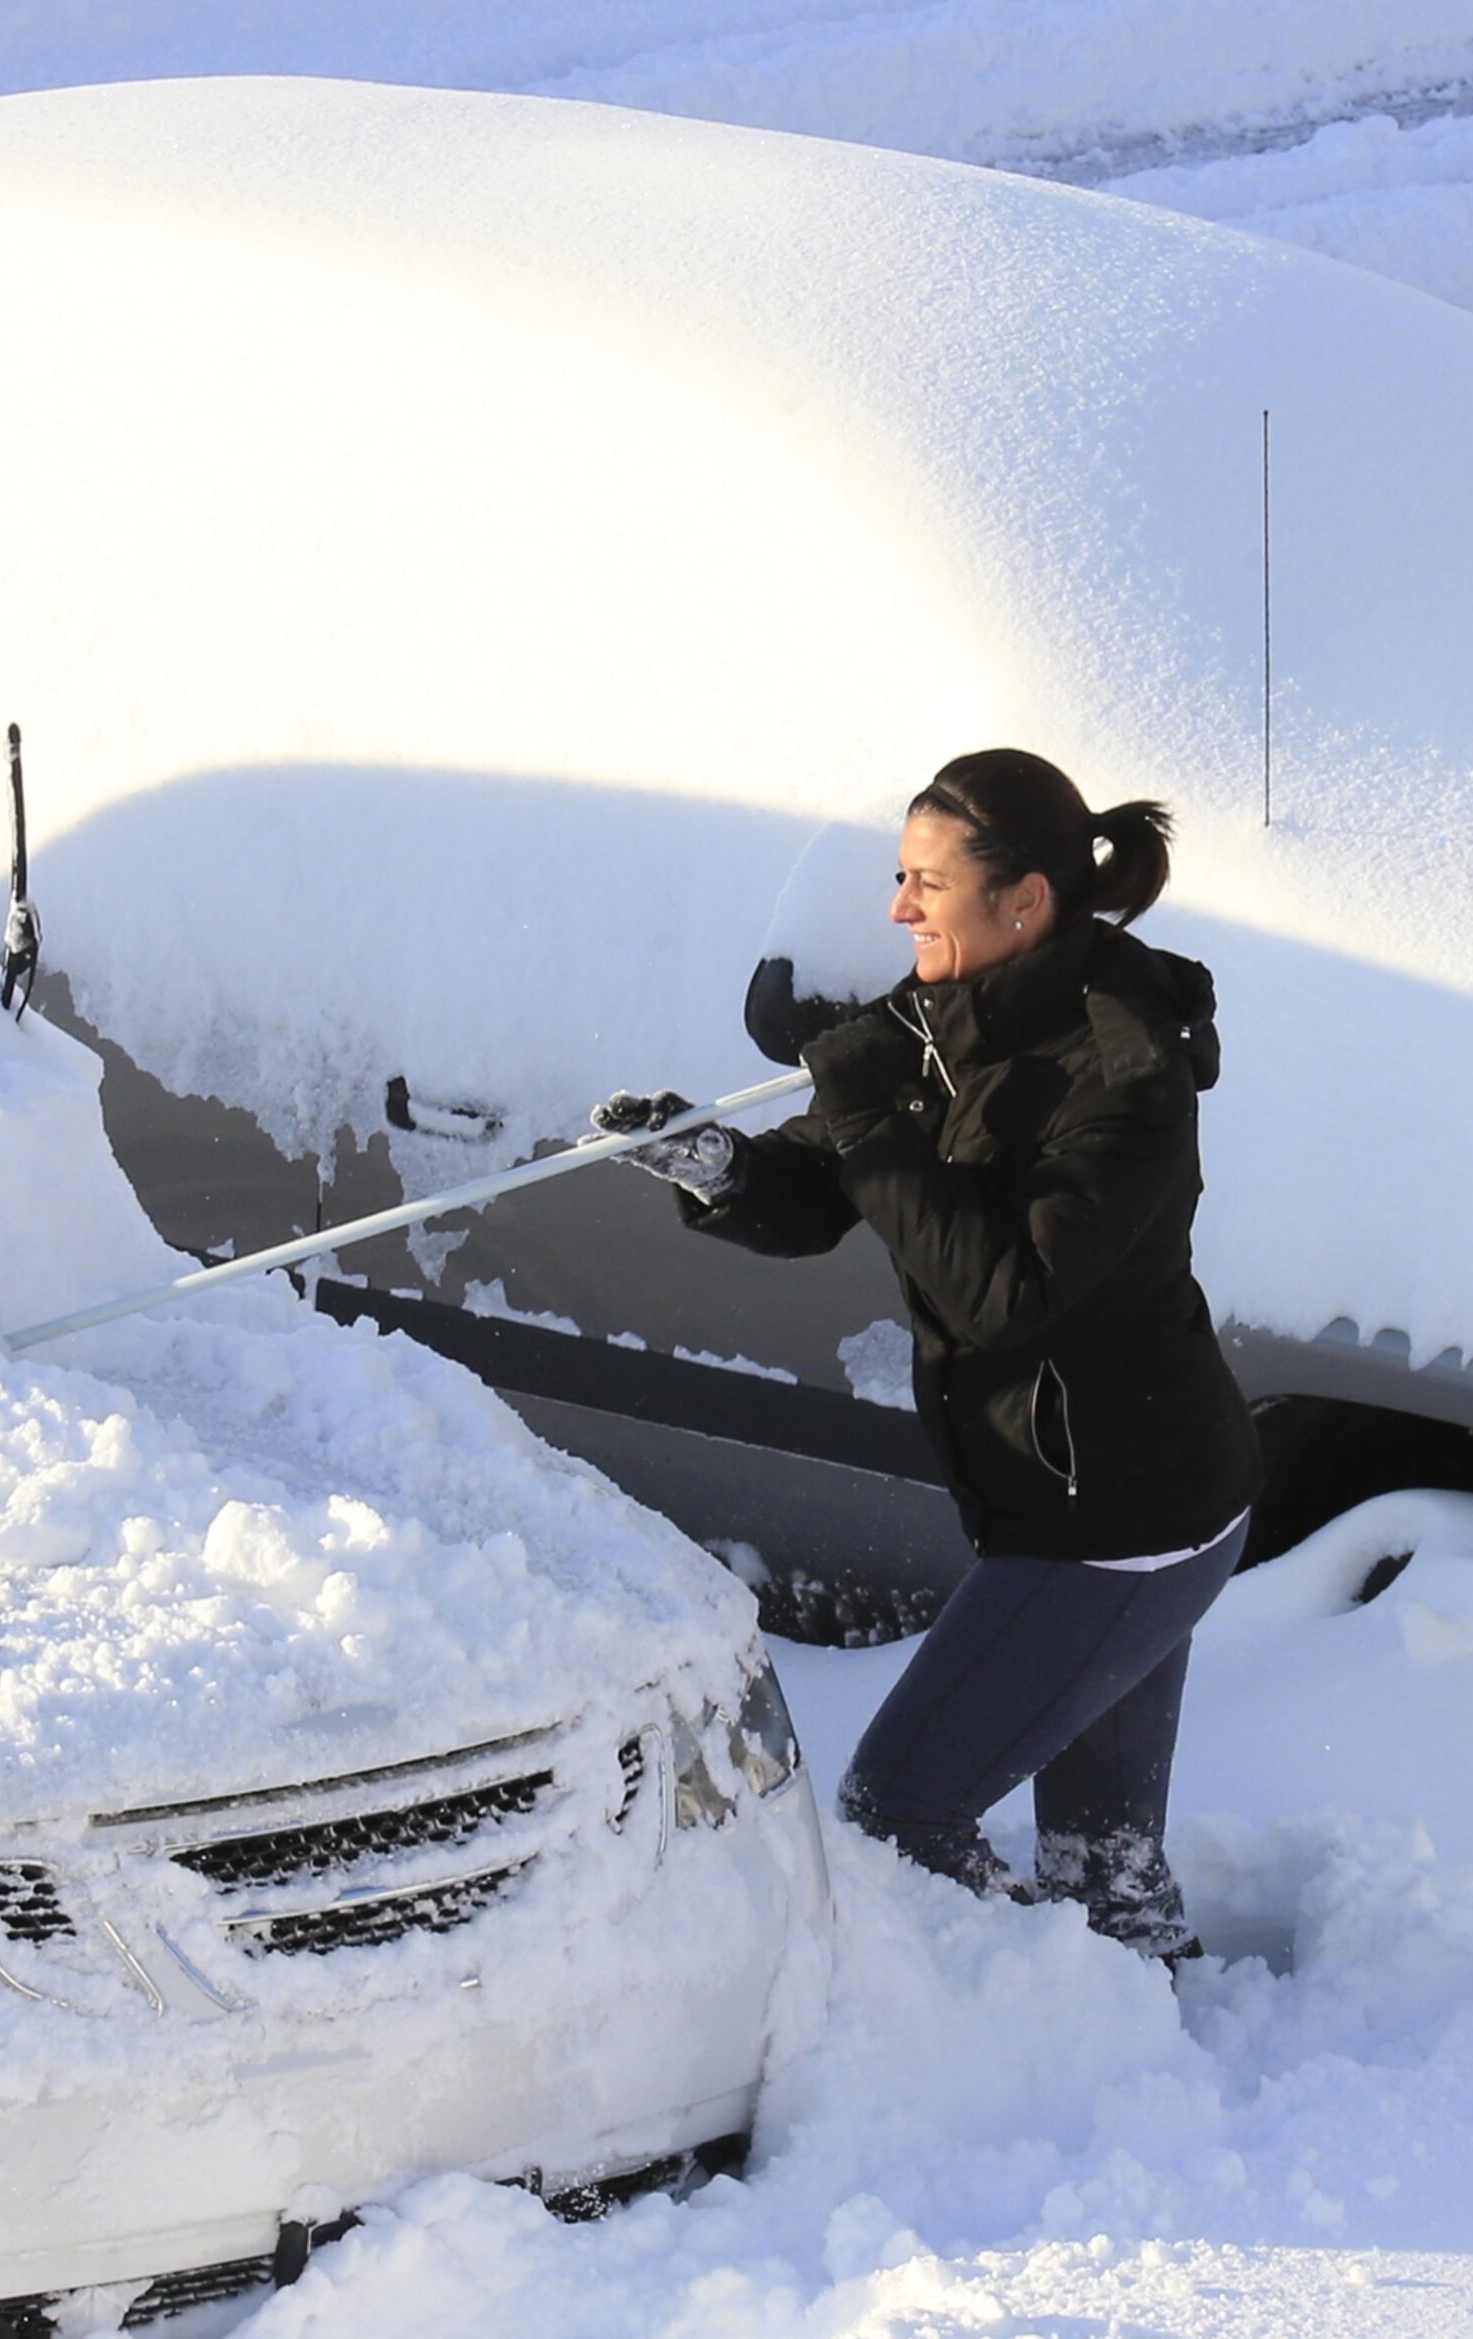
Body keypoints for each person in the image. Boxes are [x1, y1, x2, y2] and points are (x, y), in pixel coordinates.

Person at [598, 748, 1257, 1960]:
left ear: (1025, 901)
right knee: (1100, 1862)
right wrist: (717, 1165)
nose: (898, 908)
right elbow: (834, 1183)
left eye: (926, 883)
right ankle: (1135, 2016)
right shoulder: (953, 1012)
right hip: (1099, 1495)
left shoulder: (1124, 1075)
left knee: (898, 1806)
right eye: (898, 877)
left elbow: (1008, 1293)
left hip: (1123, 1524)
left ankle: (1033, 2011)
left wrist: (860, 1119)